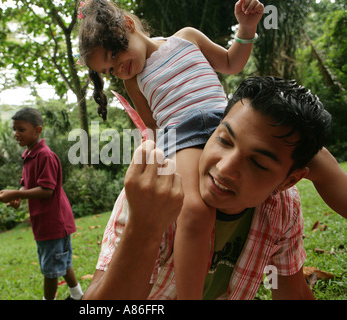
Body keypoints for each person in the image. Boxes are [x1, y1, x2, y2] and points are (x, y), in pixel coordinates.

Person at [83, 76, 334, 300]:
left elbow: (290, 289)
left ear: (288, 181)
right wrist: (143, 228)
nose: (224, 169)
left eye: (257, 163)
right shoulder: (153, 193)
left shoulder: (283, 207)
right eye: (224, 140)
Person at [78, 0, 265, 299]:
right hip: (182, 138)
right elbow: (152, 128)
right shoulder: (135, 81)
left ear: (128, 24)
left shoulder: (187, 37)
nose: (119, 68)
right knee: (195, 210)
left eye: (114, 55)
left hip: (227, 123)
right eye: (110, 69)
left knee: (311, 154)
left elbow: (232, 63)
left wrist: (247, 28)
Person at [0, 107, 83, 300]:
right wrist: (16, 199)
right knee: (62, 260)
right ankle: (77, 295)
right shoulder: (29, 155)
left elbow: (46, 190)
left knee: (50, 269)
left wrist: (15, 193)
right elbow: (27, 186)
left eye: (21, 129)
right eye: (14, 129)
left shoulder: (45, 155)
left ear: (38, 130)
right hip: (44, 221)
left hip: (54, 221)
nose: (16, 134)